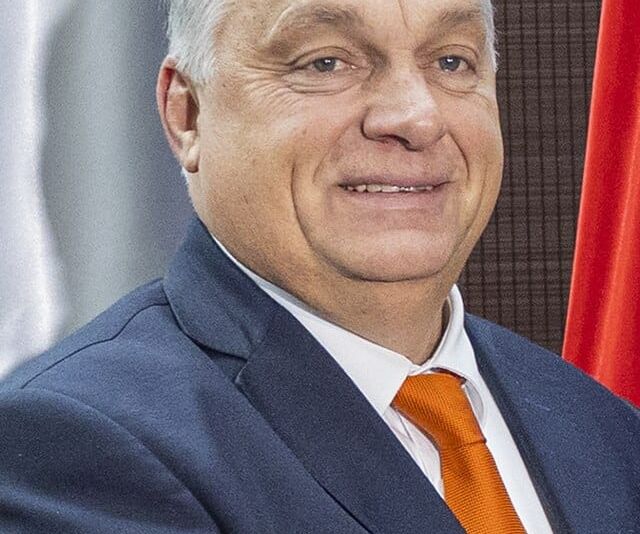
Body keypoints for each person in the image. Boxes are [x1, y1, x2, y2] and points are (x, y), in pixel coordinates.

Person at [0, 0, 638, 532]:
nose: (416, 117)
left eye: (452, 61)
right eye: (325, 62)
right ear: (187, 115)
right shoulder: (73, 445)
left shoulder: (604, 427)